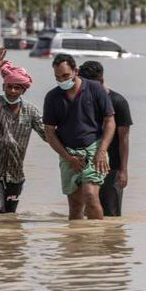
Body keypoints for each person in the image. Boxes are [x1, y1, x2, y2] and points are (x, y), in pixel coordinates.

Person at [42, 53, 116, 220]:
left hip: (94, 149)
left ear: (75, 71)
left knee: (90, 194)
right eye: (58, 77)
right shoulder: (52, 97)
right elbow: (49, 132)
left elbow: (110, 121)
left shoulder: (95, 89)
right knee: (75, 206)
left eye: (66, 76)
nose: (62, 80)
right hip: (68, 152)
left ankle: (97, 241)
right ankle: (77, 244)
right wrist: (68, 157)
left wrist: (102, 151)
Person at [0, 48, 46, 214]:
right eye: (9, 87)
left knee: (10, 216)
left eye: (17, 88)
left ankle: (8, 241)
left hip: (15, 174)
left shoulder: (31, 112)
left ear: (24, 90)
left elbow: (48, 135)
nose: (13, 91)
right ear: (4, 86)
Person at [78, 60, 133, 217]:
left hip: (112, 167)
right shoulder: (81, 100)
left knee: (111, 215)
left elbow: (124, 139)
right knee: (85, 212)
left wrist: (123, 170)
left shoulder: (118, 102)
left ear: (101, 81)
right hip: (86, 164)